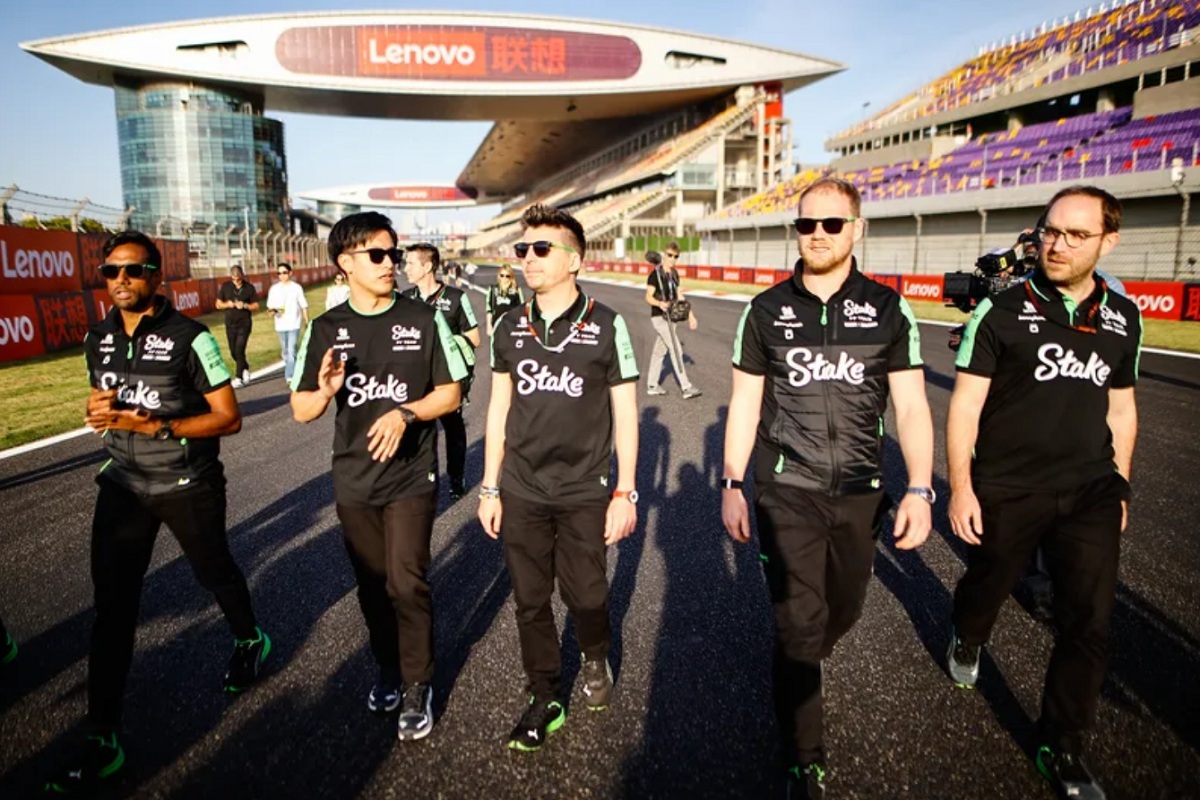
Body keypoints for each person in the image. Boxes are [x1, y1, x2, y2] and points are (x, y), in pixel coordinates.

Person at [721, 177, 934, 800]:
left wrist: (920, 488)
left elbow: (914, 408)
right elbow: (742, 404)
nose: (817, 235)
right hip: (786, 485)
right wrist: (732, 482)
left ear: (857, 229)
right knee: (797, 623)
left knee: (843, 610)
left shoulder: (890, 310)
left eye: (831, 225)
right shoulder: (764, 311)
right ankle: (803, 759)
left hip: (861, 490)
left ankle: (810, 652)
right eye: (806, 225)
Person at [47, 231, 269, 793]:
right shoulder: (96, 337)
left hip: (187, 481)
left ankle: (249, 638)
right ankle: (102, 734)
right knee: (113, 609)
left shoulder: (192, 338)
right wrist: (97, 409)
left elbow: (229, 418)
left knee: (213, 571)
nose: (120, 280)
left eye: (133, 270)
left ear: (156, 276)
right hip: (122, 483)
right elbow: (105, 401)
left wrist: (158, 426)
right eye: (111, 271)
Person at [946, 186, 1140, 800]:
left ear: (1108, 241)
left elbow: (1123, 408)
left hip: (1091, 491)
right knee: (989, 583)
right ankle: (969, 633)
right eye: (1051, 231)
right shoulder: (1000, 311)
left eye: (1075, 235)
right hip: (1008, 484)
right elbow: (966, 405)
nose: (1056, 245)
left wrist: (1122, 484)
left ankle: (1062, 745)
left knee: (1089, 623)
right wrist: (961, 487)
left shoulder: (1123, 316)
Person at [291, 212, 466, 741]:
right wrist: (324, 391)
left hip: (412, 475)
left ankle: (418, 682)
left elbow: (451, 393)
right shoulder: (324, 329)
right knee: (371, 587)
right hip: (354, 481)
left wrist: (406, 412)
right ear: (345, 263)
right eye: (377, 255)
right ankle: (388, 666)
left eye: (394, 254)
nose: (391, 263)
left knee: (406, 582)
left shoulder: (422, 318)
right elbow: (301, 409)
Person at [479, 204, 639, 752]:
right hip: (522, 485)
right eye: (523, 249)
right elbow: (498, 410)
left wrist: (625, 491)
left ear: (574, 260)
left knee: (587, 595)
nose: (528, 259)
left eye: (541, 249)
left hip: (583, 488)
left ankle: (595, 654)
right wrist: (490, 486)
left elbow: (626, 413)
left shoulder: (608, 324)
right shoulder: (507, 325)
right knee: (528, 598)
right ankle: (544, 693)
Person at [401, 243, 480, 499]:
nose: (405, 268)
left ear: (427, 267)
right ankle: (420, 480)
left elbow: (475, 338)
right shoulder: (404, 299)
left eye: (410, 263)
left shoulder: (457, 298)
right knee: (415, 431)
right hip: (414, 380)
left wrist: (446, 344)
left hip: (447, 380)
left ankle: (456, 478)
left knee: (453, 429)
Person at [644, 244, 701, 399]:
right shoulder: (655, 275)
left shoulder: (675, 274)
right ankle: (686, 387)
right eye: (669, 255)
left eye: (676, 256)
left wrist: (691, 316)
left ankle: (652, 385)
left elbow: (679, 297)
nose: (672, 259)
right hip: (659, 317)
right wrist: (659, 303)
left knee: (659, 352)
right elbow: (648, 297)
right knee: (676, 349)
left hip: (672, 317)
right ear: (664, 254)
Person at [215, 265, 259, 388]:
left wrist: (245, 306)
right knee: (233, 352)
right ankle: (245, 367)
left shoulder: (249, 288)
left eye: (238, 279)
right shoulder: (225, 287)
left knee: (240, 349)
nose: (236, 281)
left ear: (242, 276)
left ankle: (238, 377)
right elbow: (218, 305)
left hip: (244, 323)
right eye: (233, 279)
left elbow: (256, 306)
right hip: (230, 323)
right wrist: (228, 304)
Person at [266, 263, 308, 382]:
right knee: (285, 351)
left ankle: (290, 375)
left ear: (290, 273)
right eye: (279, 273)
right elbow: (270, 308)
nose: (282, 275)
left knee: (292, 348)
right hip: (280, 324)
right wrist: (273, 311)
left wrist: (306, 321)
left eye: (284, 273)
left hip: (294, 323)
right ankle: (292, 366)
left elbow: (304, 305)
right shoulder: (274, 289)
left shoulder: (296, 288)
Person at [485, 264, 524, 331]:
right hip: (496, 324)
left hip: (512, 325)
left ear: (511, 277)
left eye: (507, 276)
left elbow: (522, 308)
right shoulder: (493, 289)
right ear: (499, 276)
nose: (504, 278)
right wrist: (489, 326)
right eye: (502, 275)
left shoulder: (517, 290)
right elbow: (489, 309)